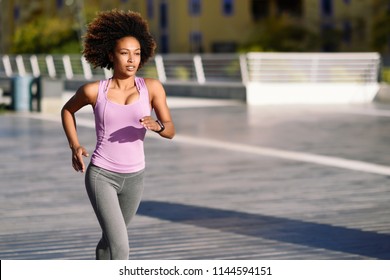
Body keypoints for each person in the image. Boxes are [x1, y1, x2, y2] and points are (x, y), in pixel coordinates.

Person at [61, 9, 175, 260]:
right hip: (102, 175)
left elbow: (171, 130)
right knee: (121, 247)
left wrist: (158, 126)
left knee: (110, 240)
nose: (131, 59)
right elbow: (67, 110)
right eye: (124, 53)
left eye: (136, 53)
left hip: (135, 177)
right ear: (111, 55)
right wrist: (75, 145)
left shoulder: (152, 88)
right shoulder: (93, 91)